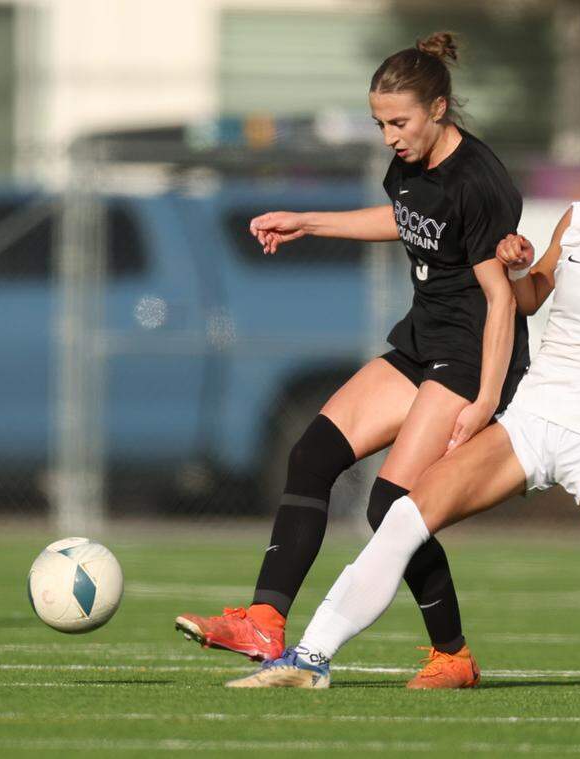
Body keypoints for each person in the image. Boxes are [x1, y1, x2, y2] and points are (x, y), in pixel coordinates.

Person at [225, 132, 580, 690]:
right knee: (403, 517)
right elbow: (529, 299)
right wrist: (516, 265)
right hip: (529, 423)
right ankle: (312, 657)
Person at [175, 32, 529, 689]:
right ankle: (263, 620)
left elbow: (501, 301)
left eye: (400, 122)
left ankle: (451, 654)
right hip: (422, 343)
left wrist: (484, 399)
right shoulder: (409, 165)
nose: (390, 135)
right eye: (380, 123)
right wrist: (308, 220)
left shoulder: (479, 181)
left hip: (470, 357)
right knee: (312, 454)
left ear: (440, 110)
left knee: (393, 501)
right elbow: (402, 219)